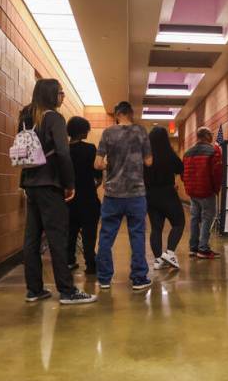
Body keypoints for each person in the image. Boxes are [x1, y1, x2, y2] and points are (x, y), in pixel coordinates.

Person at [18, 79, 97, 305]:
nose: (62, 96)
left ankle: (34, 289)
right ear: (51, 94)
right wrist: (69, 184)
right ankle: (67, 290)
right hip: (50, 184)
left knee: (32, 238)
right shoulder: (53, 118)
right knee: (58, 237)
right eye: (60, 93)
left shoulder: (25, 117)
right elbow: (63, 153)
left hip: (30, 183)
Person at [95, 101, 153, 290]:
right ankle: (138, 278)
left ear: (117, 114)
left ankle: (104, 278)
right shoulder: (141, 132)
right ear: (130, 113)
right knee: (137, 235)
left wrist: (110, 165)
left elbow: (97, 164)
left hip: (113, 194)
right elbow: (149, 161)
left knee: (106, 236)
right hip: (136, 193)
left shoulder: (108, 133)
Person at [144, 126, 185, 270]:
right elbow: (181, 168)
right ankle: (170, 252)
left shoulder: (146, 155)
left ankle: (157, 260)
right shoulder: (169, 154)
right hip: (167, 193)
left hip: (149, 195)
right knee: (179, 222)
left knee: (156, 228)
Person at [65, 115, 102, 275]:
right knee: (89, 232)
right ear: (82, 132)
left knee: (70, 232)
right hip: (88, 197)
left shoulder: (63, 150)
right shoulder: (90, 149)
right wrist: (98, 181)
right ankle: (90, 264)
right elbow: (97, 173)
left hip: (68, 198)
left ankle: (69, 261)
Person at [183, 126, 222, 258]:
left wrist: (189, 188)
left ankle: (193, 247)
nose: (212, 137)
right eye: (210, 134)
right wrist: (216, 189)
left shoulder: (188, 153)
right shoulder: (212, 151)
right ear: (206, 136)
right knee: (207, 217)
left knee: (194, 218)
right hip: (206, 191)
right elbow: (216, 173)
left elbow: (184, 174)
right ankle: (203, 248)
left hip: (192, 192)